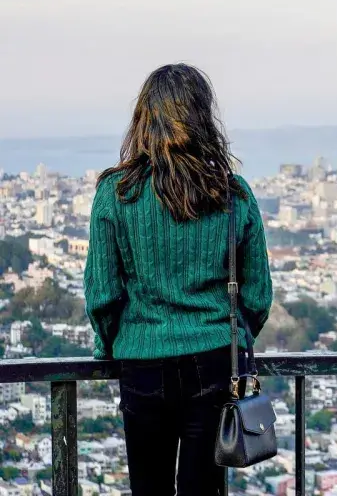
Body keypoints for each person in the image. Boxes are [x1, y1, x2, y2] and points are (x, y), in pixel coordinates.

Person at [84, 63, 273, 495]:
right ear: (204, 117)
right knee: (203, 487)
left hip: (142, 361)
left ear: (143, 120)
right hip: (212, 358)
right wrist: (231, 334)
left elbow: (102, 295)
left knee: (148, 488)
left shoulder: (117, 194)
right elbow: (258, 295)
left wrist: (109, 345)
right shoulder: (232, 194)